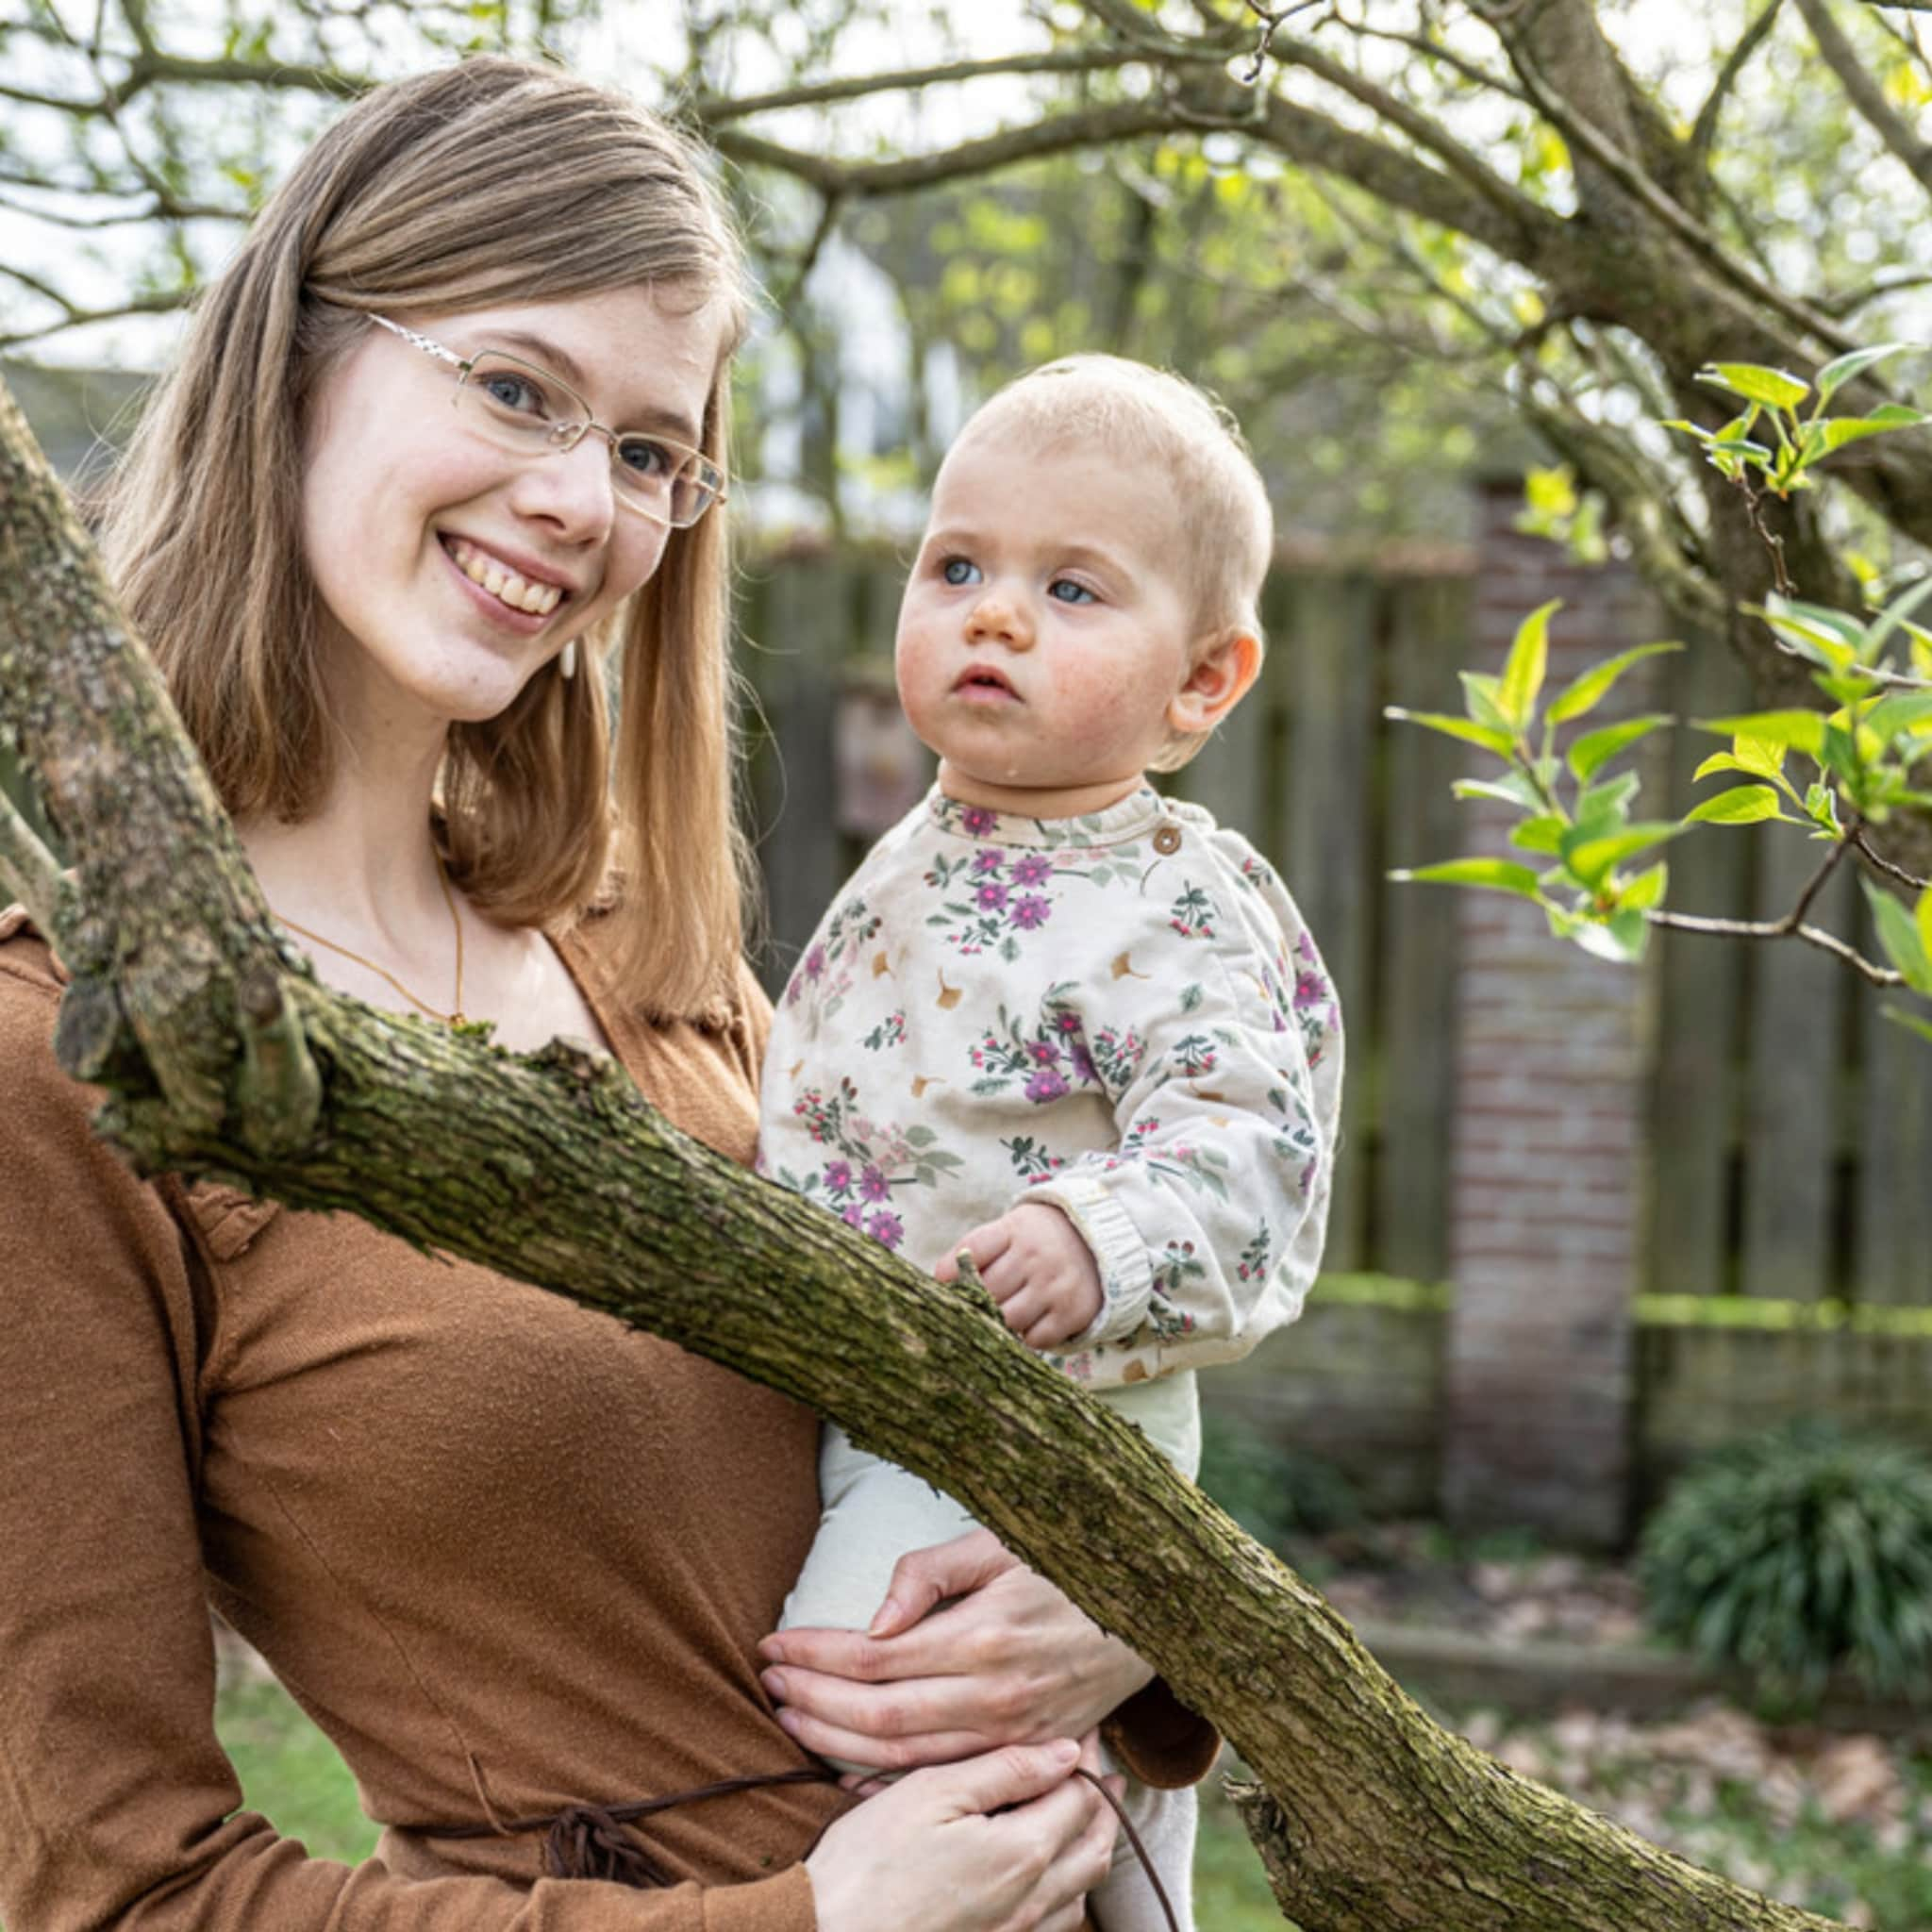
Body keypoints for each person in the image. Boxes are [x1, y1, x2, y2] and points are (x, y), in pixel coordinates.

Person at [0, 60, 1218, 1932]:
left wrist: (1111, 1606)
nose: (583, 500)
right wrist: (807, 1922)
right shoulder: (73, 1057)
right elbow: (108, 1886)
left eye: (650, 450)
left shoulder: (635, 940)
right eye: (512, 386)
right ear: (299, 357)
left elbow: (949, 1401)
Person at [759, 357, 1345, 1932]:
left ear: (1205, 684)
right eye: (957, 567)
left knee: (873, 1686)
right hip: (896, 1398)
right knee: (1065, 1785)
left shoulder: (1173, 900)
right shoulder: (921, 855)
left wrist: (1103, 1237)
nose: (993, 615)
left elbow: (1254, 1146)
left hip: (1061, 1407)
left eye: (1072, 589)